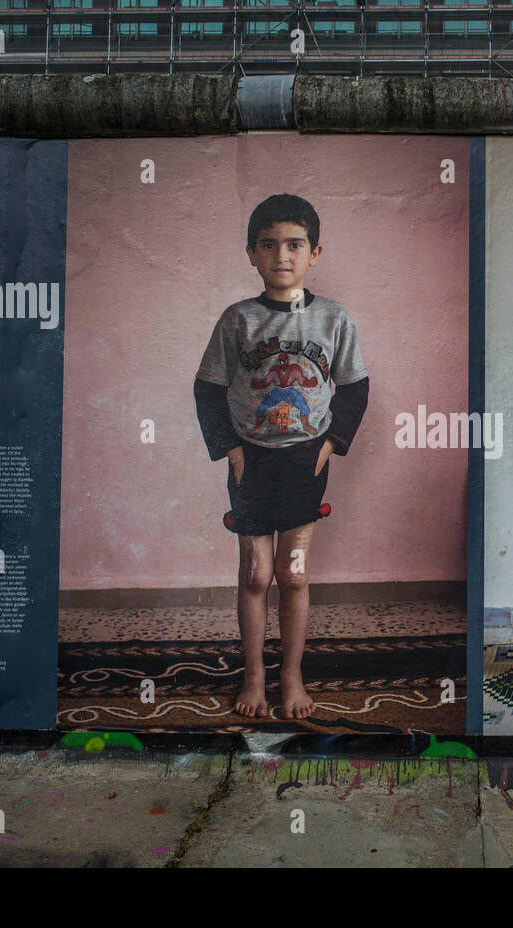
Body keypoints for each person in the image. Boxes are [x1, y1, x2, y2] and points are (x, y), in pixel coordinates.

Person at [194, 194, 369, 721]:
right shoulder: (237, 321)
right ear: (251, 253)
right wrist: (229, 450)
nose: (282, 256)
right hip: (251, 462)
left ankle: (291, 677)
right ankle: (253, 678)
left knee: (293, 574)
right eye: (268, 245)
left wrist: (332, 444)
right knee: (255, 574)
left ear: (315, 252)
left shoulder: (333, 319)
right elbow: (206, 390)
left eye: (294, 245)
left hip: (304, 463)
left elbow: (356, 389)